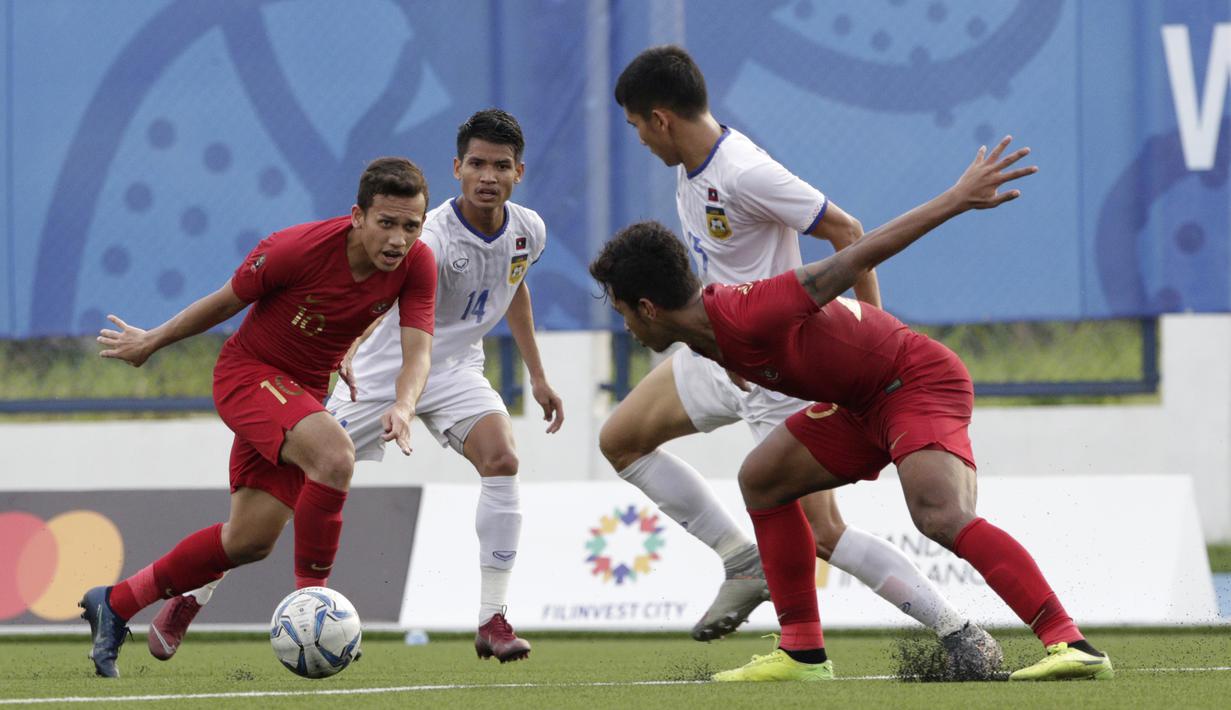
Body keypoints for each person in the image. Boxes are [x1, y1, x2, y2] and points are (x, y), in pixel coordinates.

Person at [590, 137, 1114, 683]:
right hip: (859, 401)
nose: (625, 325)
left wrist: (957, 198)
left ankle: (1068, 641)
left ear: (649, 308)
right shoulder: (703, 331)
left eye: (625, 312)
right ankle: (801, 654)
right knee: (763, 479)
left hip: (914, 382)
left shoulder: (752, 312)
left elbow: (859, 249)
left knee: (937, 514)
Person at [609, 44, 996, 670]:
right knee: (621, 439)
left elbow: (847, 232)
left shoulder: (744, 171)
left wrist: (875, 338)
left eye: (635, 127)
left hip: (778, 371)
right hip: (717, 351)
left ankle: (958, 631)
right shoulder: (689, 167)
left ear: (659, 118)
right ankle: (742, 562)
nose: (640, 141)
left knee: (824, 534)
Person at [144, 110, 561, 664]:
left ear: (519, 173)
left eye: (501, 166)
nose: (489, 176)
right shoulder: (424, 234)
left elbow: (515, 285)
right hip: (383, 374)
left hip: (457, 370)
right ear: (457, 168)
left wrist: (536, 373)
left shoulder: (528, 229)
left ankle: (493, 618)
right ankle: (192, 595)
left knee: (503, 458)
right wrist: (344, 351)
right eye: (478, 164)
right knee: (278, 504)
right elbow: (375, 297)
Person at [82, 157, 437, 678]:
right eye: (387, 222)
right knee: (335, 456)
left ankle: (114, 602)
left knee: (248, 540)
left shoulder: (418, 264)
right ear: (357, 216)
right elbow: (224, 303)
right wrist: (152, 340)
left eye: (412, 226)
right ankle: (312, 609)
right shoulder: (294, 248)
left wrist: (404, 405)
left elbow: (418, 353)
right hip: (249, 376)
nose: (399, 239)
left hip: (303, 395)